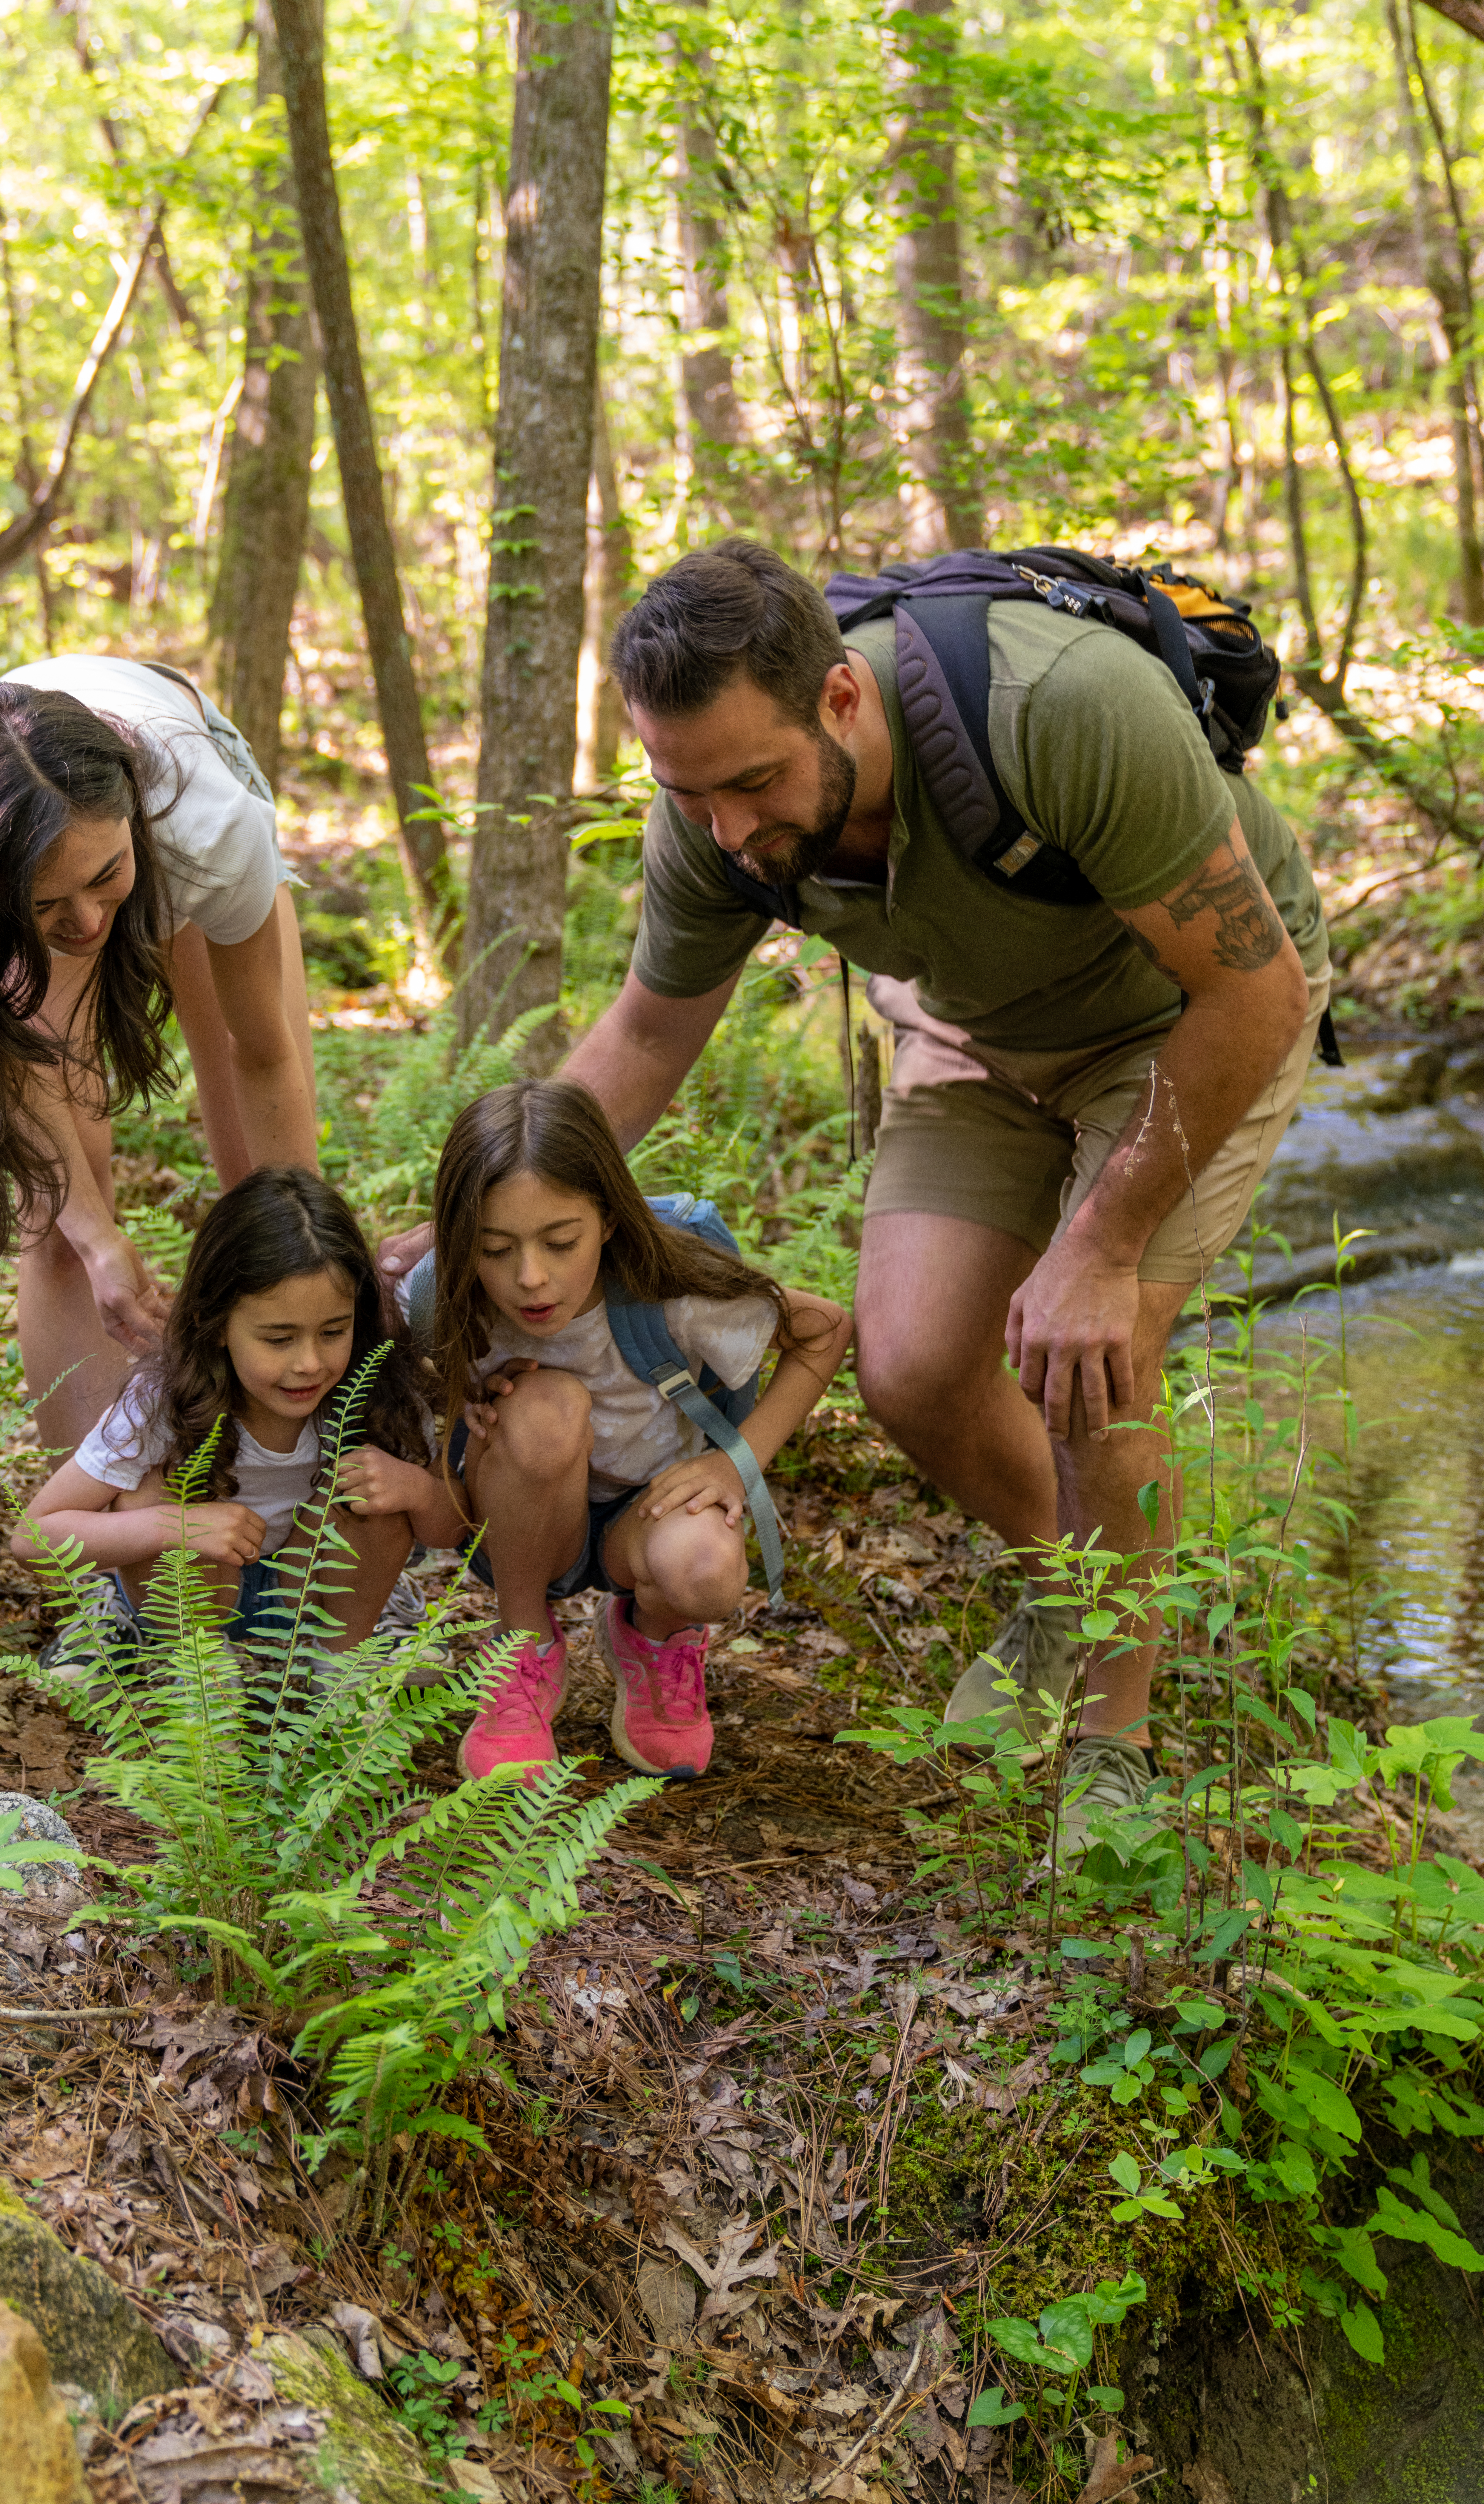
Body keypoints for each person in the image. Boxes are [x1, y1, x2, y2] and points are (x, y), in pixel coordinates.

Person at [387, 538, 1328, 1853]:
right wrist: (453, 1223)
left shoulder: (1061, 711)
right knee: (916, 1367)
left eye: (754, 785)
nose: (729, 830)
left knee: (1089, 1356)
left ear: (841, 698)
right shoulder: (716, 807)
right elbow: (651, 1035)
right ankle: (1078, 1585)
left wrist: (1100, 1246)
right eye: (690, 793)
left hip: (1186, 1022)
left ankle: (1117, 1741)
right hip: (978, 1034)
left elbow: (1257, 991)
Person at [0, 657, 317, 1450]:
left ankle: (309, 1501)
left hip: (176, 814)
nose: (90, 924)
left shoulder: (210, 831)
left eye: (104, 881)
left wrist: (304, 1248)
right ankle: (97, 1547)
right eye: (51, 904)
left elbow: (260, 1054)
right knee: (59, 1221)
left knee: (272, 1206)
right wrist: (99, 1239)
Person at [423, 1077, 851, 1782]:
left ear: (610, 1219)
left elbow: (825, 1329)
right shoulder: (448, 1299)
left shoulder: (671, 1287)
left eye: (562, 1242)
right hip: (525, 1518)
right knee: (545, 1409)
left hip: (645, 1515)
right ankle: (523, 1645)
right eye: (495, 1249)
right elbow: (397, 1381)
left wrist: (737, 1463)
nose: (531, 1278)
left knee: (709, 1571)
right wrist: (463, 1403)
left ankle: (654, 1639)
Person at [16, 1164, 436, 1660]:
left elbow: (452, 1532)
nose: (309, 1364)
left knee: (379, 1498)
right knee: (148, 1492)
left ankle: (339, 1676)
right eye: (278, 1339)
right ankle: (199, 1682)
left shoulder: (377, 1390)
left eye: (332, 1332)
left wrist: (420, 1490)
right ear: (214, 1324)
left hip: (309, 1591)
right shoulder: (161, 1402)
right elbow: (32, 1538)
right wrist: (175, 1527)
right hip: (194, 1588)